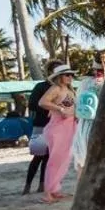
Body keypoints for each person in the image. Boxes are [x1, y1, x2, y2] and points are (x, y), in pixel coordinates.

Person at [39, 64, 77, 202]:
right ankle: (47, 193)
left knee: (64, 160)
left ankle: (54, 189)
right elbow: (42, 102)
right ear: (59, 77)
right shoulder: (55, 88)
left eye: (71, 74)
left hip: (69, 127)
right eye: (67, 75)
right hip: (58, 128)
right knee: (55, 160)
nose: (70, 77)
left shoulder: (69, 90)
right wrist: (59, 109)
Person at [22, 69, 54, 195]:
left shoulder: (61, 88)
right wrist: (50, 106)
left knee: (48, 156)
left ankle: (42, 184)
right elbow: (32, 104)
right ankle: (28, 185)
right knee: (38, 156)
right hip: (41, 124)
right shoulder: (41, 86)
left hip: (54, 125)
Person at [71, 60, 105, 172]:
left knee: (82, 159)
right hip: (102, 123)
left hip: (84, 123)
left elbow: (77, 101)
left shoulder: (85, 83)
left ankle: (81, 187)